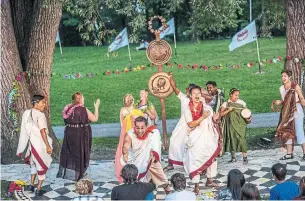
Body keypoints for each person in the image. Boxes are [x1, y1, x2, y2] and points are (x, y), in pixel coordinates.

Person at [183, 85, 221, 195]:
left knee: (212, 158)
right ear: (190, 95)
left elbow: (213, 122)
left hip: (208, 138)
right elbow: (190, 124)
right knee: (195, 160)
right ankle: (196, 185)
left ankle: (210, 180)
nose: (197, 95)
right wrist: (203, 117)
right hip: (195, 139)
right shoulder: (187, 109)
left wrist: (215, 119)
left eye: (199, 93)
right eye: (194, 93)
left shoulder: (207, 108)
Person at [57, 92, 100, 181]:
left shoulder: (68, 108)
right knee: (80, 153)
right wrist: (96, 107)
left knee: (71, 152)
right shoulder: (83, 109)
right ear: (80, 99)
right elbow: (95, 119)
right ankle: (79, 173)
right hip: (79, 134)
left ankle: (74, 173)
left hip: (69, 133)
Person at [121, 116, 171, 193]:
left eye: (142, 128)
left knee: (163, 180)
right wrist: (125, 154)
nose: (140, 130)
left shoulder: (153, 133)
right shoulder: (130, 134)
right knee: (137, 182)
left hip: (152, 160)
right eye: (137, 128)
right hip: (137, 162)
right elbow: (125, 147)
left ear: (146, 126)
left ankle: (171, 196)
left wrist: (154, 155)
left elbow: (156, 145)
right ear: (134, 127)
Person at [17, 95, 52, 196]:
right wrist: (47, 146)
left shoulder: (26, 113)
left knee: (33, 164)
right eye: (42, 102)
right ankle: (38, 189)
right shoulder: (40, 115)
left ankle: (31, 185)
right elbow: (42, 132)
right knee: (41, 165)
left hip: (31, 144)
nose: (44, 105)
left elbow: (25, 130)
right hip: (40, 144)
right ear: (36, 103)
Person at [163, 73, 196, 171]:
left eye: (191, 90)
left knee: (192, 144)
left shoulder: (198, 99)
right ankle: (171, 163)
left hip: (193, 125)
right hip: (182, 124)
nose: (188, 92)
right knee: (173, 140)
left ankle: (194, 165)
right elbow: (174, 87)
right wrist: (170, 78)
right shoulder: (183, 98)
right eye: (188, 90)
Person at [272, 69, 305, 160]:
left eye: (285, 76)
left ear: (289, 77)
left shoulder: (295, 86)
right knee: (287, 131)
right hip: (286, 112)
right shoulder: (281, 88)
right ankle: (289, 154)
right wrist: (280, 102)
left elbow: (301, 98)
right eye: (282, 76)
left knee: (299, 132)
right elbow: (285, 101)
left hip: (296, 111)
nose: (283, 78)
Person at [115, 94, 144, 183]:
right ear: (133, 102)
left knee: (125, 151)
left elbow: (121, 124)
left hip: (125, 134)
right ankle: (137, 171)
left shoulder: (122, 110)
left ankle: (125, 172)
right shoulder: (138, 111)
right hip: (135, 134)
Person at [220, 88, 251, 164]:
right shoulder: (226, 104)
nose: (237, 97)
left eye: (238, 95)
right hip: (230, 125)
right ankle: (233, 158)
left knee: (242, 139)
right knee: (232, 139)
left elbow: (247, 112)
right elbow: (221, 114)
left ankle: (245, 158)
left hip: (240, 125)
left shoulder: (242, 103)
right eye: (235, 95)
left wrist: (249, 118)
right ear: (230, 95)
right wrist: (228, 110)